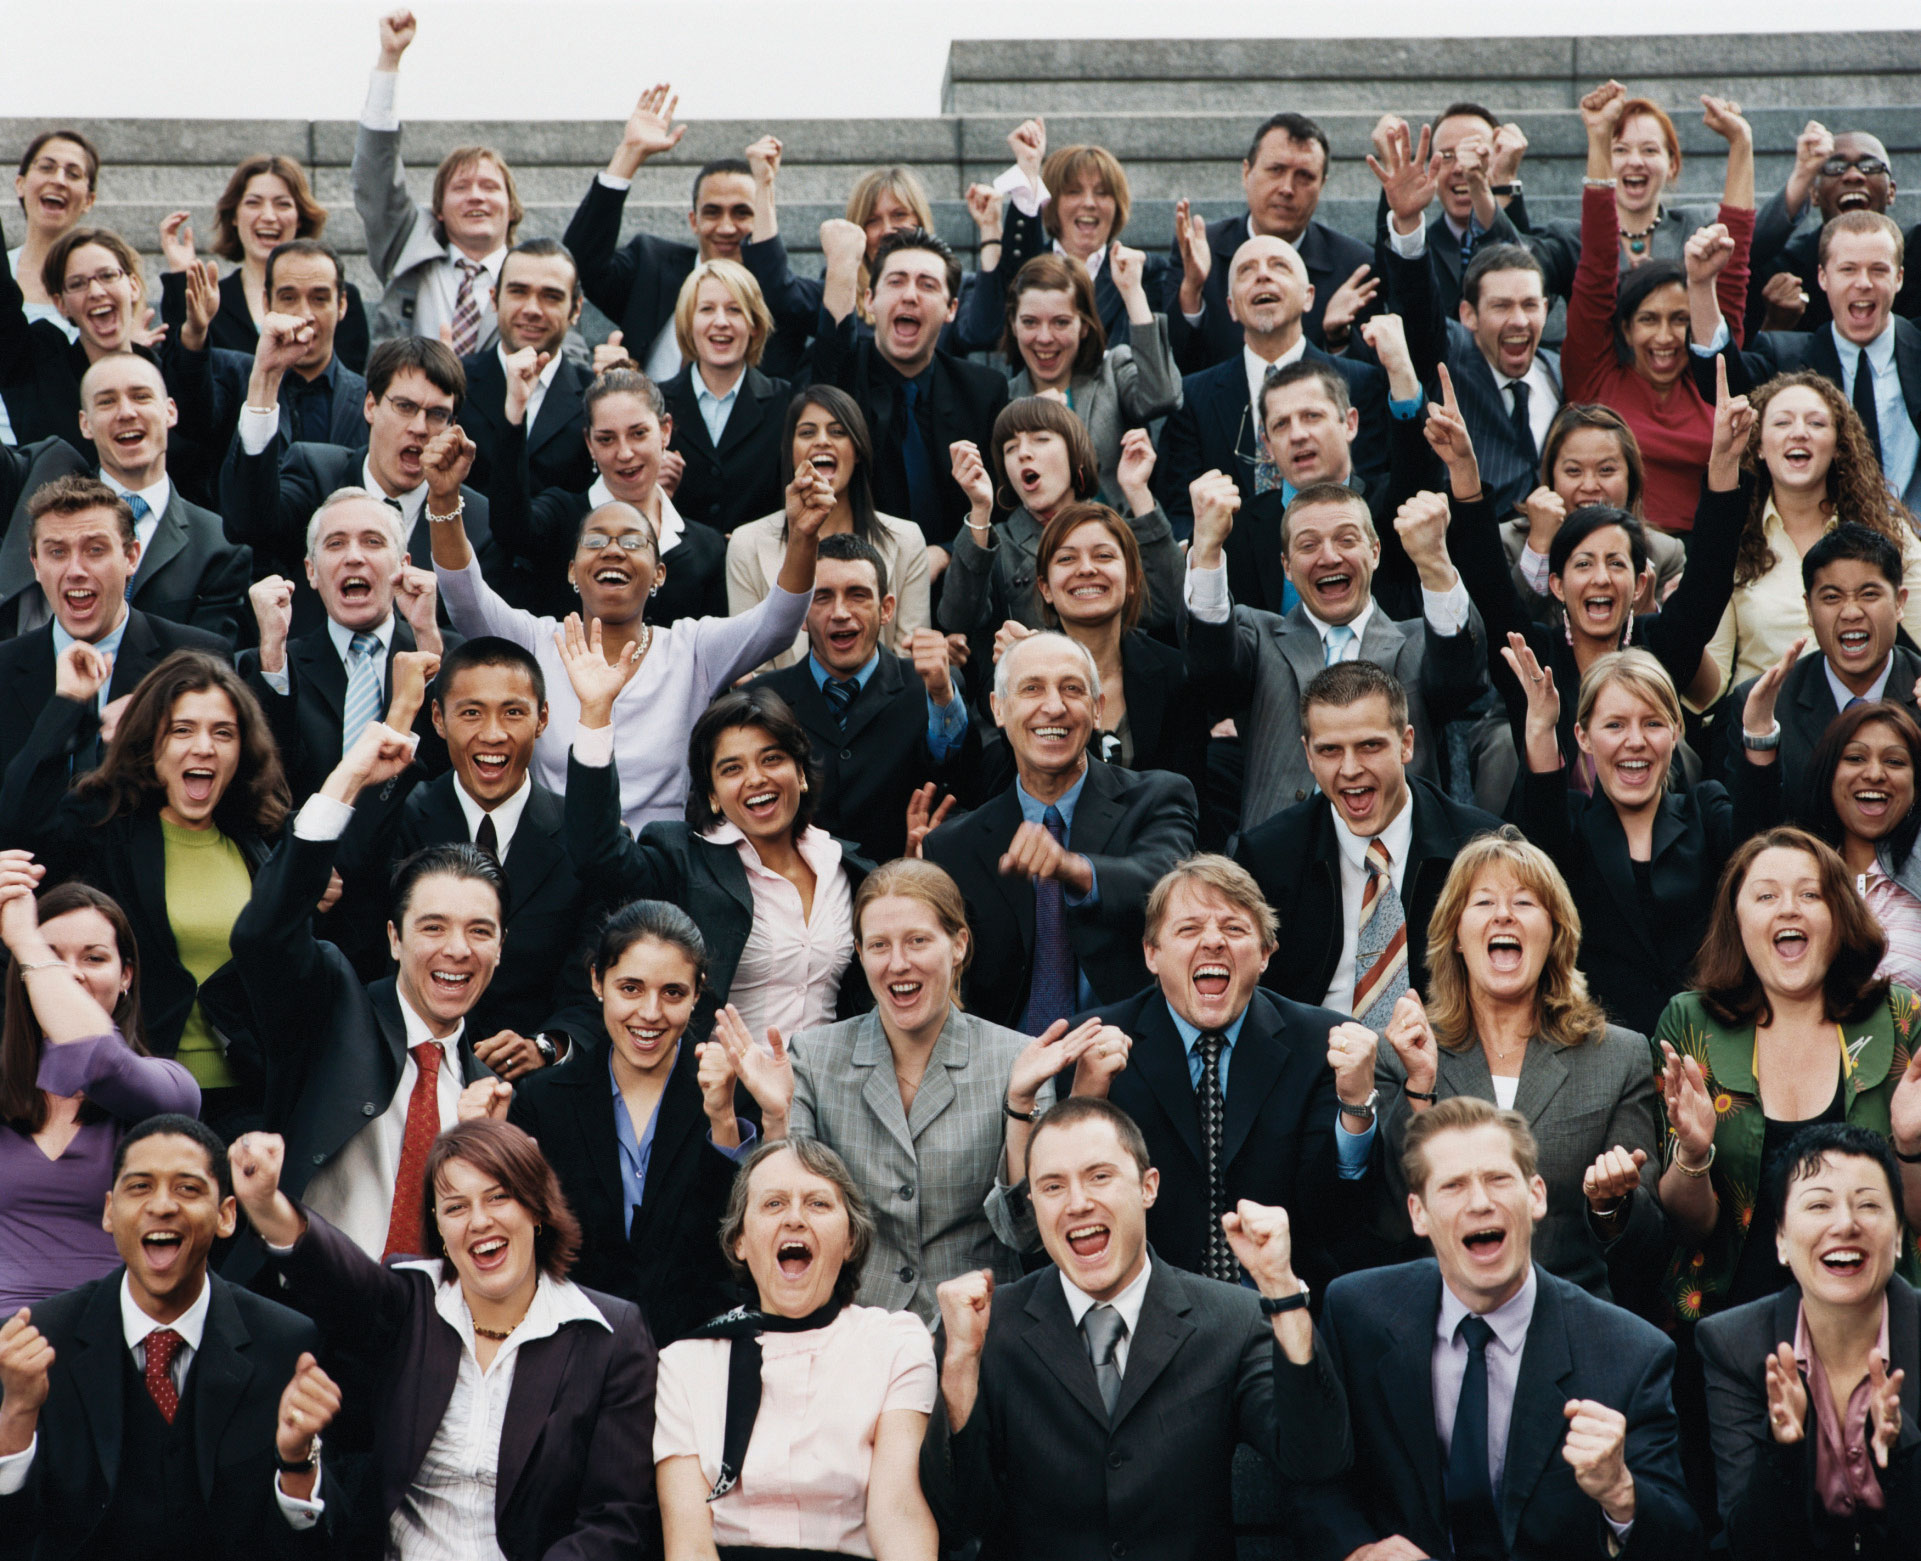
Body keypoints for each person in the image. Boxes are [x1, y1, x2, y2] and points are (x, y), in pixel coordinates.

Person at [920, 1094, 1351, 1561]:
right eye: (1053, 1187)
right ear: (1033, 1203)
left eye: (1099, 1177)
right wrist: (961, 1362)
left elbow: (1317, 1459)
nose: (1078, 1203)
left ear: (1148, 1187)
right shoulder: (983, 1328)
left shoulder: (1234, 1318)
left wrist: (1282, 1290)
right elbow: (959, 1520)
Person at [1289, 1095, 1699, 1560]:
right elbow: (1318, 1481)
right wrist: (1358, 1551)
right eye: (1454, 1186)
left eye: (1498, 1179)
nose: (1480, 1203)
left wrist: (1620, 1493)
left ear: (1536, 1196)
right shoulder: (1357, 1313)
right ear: (1418, 1213)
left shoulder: (1629, 1352)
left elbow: (1681, 1541)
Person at [230, 1117, 659, 1558]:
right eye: (455, 1207)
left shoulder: (611, 1335)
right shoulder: (412, 1298)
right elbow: (338, 1273)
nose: (478, 1221)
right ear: (438, 1227)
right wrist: (266, 1205)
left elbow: (614, 1520)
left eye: (498, 1198)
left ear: (536, 1209)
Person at [705, 856, 1083, 1325]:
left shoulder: (1017, 1060)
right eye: (879, 945)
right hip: (849, 1328)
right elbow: (790, 1222)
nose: (897, 963)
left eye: (918, 941)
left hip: (978, 1328)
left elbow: (1026, 1234)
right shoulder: (814, 1057)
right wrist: (777, 1118)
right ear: (860, 954)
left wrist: (1021, 1105)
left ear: (959, 944)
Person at [430, 399, 820, 828]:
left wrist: (802, 536)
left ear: (659, 574)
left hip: (665, 864)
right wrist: (445, 498)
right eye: (596, 541)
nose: (613, 550)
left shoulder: (692, 649)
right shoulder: (536, 642)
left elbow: (779, 624)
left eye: (633, 542)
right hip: (558, 861)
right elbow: (465, 600)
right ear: (571, 570)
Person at [226, 715, 513, 1268]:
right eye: (432, 927)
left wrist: (490, 1149)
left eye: (479, 931)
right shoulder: (333, 1008)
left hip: (429, 1332)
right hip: (303, 1308)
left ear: (501, 948)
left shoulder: (491, 1096)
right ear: (395, 939)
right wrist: (349, 779)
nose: (457, 949)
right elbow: (264, 933)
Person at [0, 1115, 332, 1561]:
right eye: (139, 1187)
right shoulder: (40, 1340)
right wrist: (16, 1414)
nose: (162, 1205)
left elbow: (316, 1547)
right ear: (108, 1212)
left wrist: (297, 1462)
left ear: (226, 1216)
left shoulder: (284, 1342)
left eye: (187, 1189)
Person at [1639, 827, 1921, 1335]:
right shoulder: (1690, 1025)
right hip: (1726, 1334)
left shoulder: (1901, 1018)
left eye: (1810, 894)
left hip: (1875, 1331)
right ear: (1737, 921)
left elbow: (1916, 1221)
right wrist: (1695, 1154)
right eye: (1766, 895)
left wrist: (1909, 1144)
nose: (1789, 909)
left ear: (1839, 916)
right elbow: (1687, 1228)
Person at [1371, 829, 1664, 1300]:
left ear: (1554, 935)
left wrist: (1611, 1205)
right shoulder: (1404, 1052)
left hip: (1569, 1320)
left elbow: (1647, 1247)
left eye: (1524, 903)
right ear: (1457, 937)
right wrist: (1420, 1087)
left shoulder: (1619, 1056)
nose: (1504, 915)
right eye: (1484, 902)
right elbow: (1391, 1220)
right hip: (1440, 1316)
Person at [1066, 854, 1376, 1291]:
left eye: (1234, 928)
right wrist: (1086, 1098)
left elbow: (1336, 1216)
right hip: (1147, 1309)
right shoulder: (1091, 1044)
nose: (1213, 941)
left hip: (1278, 1306)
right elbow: (1067, 1204)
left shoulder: (1322, 1044)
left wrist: (1357, 1106)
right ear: (1151, 954)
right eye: (1189, 929)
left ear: (1266, 954)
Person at [1434, 355, 1743, 788]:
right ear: (1557, 585)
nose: (1600, 578)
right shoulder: (1533, 660)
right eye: (1584, 564)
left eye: (1616, 563)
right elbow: (1487, 586)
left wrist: (1725, 463)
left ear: (1638, 584)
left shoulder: (1660, 647)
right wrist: (1464, 469)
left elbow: (1709, 581)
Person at [0, 649, 285, 1114]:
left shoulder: (256, 842)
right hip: (128, 1097)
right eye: (182, 729)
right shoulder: (105, 829)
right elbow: (22, 823)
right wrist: (69, 700)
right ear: (151, 744)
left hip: (245, 1103)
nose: (204, 747)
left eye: (223, 733)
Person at [655, 1137, 938, 1559]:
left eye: (818, 1204)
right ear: (740, 1241)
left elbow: (898, 1515)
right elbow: (689, 1544)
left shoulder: (897, 1344)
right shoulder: (684, 1363)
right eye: (773, 1204)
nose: (795, 1219)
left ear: (850, 1241)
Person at [563, 671, 873, 1045]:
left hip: (830, 1090)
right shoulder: (681, 859)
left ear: (801, 772)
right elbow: (597, 855)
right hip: (724, 1092)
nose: (756, 779)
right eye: (732, 769)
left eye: (772, 759)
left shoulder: (844, 865)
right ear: (712, 794)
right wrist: (596, 717)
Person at [330, 637, 599, 1055]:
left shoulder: (581, 832)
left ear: (542, 718)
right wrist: (400, 715)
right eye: (471, 713)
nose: (492, 734)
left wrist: (546, 1047)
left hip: (528, 1093)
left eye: (513, 713)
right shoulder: (400, 814)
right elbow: (349, 870)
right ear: (438, 718)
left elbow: (594, 984)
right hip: (401, 1066)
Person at [507, 900, 754, 1346]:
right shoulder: (542, 1101)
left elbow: (735, 1251)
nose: (651, 1012)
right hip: (573, 1349)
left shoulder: (733, 1094)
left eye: (673, 993)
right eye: (631, 988)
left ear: (698, 993)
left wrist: (722, 1119)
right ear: (597, 981)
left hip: (699, 1353)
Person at [922, 632, 1197, 1030]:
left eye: (1072, 689)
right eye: (1032, 689)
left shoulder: (1157, 797)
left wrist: (1072, 868)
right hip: (1003, 1066)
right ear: (998, 709)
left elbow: (1167, 883)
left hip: (1126, 1056)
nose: (1054, 707)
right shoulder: (952, 847)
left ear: (1098, 709)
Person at [1183, 475, 1484, 832]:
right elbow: (1211, 664)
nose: (1329, 556)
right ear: (1287, 567)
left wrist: (1434, 563)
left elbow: (1462, 677)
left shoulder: (1419, 643)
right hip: (1278, 869)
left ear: (1374, 553)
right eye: (1308, 545)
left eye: (1346, 540)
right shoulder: (1257, 638)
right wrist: (1205, 551)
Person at [1511, 644, 1781, 1040]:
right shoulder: (1569, 826)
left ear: (1675, 732)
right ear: (1583, 738)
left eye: (1652, 724)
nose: (1635, 741)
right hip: (1598, 1053)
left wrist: (1757, 732)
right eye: (1615, 725)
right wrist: (1539, 728)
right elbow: (1538, 838)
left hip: (1711, 1047)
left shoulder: (1704, 810)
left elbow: (1764, 853)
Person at [1697, 1123, 1921, 1558]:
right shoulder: (1733, 1346)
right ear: (1780, 1240)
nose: (1846, 1224)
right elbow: (1746, 1544)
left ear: (1897, 1238)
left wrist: (1900, 1449)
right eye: (1819, 1205)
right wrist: (1782, 1449)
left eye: (1869, 1205)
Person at [1232, 660, 1502, 1015]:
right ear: (1308, 756)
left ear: (1406, 744)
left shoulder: (1479, 849)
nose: (1350, 769)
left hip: (1446, 1055)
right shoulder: (1266, 857)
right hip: (1317, 1058)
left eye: (1369, 746)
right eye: (1329, 750)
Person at [0, 861, 199, 1312]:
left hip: (109, 1346)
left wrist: (29, 941)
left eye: (94, 958)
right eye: (53, 958)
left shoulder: (170, 1090)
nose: (71, 975)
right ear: (24, 975)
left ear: (126, 976)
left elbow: (98, 1060)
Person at [1562, 81, 1755, 532]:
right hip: (1613, 557)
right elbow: (1595, 267)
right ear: (1625, 329)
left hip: (1706, 559)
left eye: (1680, 320)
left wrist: (1741, 144)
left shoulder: (1713, 380)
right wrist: (1597, 139)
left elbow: (1735, 263)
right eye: (1649, 320)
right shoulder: (1596, 375)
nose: (1666, 337)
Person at [220, 333, 500, 636]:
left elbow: (474, 639)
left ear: (452, 427)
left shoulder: (474, 522)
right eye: (405, 406)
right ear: (370, 406)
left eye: (437, 414)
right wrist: (264, 380)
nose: (420, 428)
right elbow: (248, 524)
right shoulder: (316, 473)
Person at [1151, 233, 1404, 562]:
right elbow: (1180, 507)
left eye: (1279, 266)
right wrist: (1203, 558)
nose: (1262, 275)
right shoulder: (1194, 396)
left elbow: (1377, 483)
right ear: (1230, 307)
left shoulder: (1360, 380)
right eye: (1246, 271)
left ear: (1308, 297)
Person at [749, 533, 976, 865]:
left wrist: (942, 695)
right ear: (799, 613)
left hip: (903, 886)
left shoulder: (932, 686)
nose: (840, 612)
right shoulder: (762, 698)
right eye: (823, 597)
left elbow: (963, 781)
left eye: (857, 595)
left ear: (886, 609)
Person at [564, 85, 811, 382]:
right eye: (712, 212)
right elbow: (577, 264)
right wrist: (629, 155)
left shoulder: (783, 298)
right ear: (693, 221)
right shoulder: (650, 266)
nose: (726, 227)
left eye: (742, 213)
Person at [1705, 372, 1921, 708]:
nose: (1799, 432)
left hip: (1867, 728)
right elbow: (1709, 690)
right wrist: (1682, 613)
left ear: (1838, 446)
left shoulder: (1891, 535)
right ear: (1759, 446)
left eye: (1816, 423)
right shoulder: (1732, 543)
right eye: (1782, 423)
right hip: (1762, 726)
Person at [990, 502, 1214, 812]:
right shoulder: (1016, 677)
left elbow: (1191, 800)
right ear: (1045, 588)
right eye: (1067, 558)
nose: (1086, 569)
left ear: (1132, 579)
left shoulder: (1176, 674)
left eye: (1103, 555)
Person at [237, 489, 452, 808]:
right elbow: (265, 786)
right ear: (311, 571)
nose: (353, 557)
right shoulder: (275, 665)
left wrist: (426, 641)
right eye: (336, 543)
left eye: (372, 542)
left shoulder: (452, 655)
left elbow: (445, 769)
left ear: (402, 565)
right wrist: (272, 652)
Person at [14, 354, 250, 643]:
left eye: (140, 396)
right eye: (107, 402)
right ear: (85, 424)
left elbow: (207, 667)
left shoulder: (217, 544)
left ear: (170, 412)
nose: (125, 412)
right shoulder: (41, 495)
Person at [811, 222, 1011, 559]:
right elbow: (831, 357)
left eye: (927, 285)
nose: (910, 295)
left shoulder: (983, 391)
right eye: (896, 281)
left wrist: (947, 554)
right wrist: (842, 266)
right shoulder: (844, 377)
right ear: (870, 300)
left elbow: (1003, 505)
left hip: (954, 578)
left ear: (951, 309)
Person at [0, 476, 231, 765]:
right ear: (35, 564)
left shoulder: (197, 658)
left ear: (131, 557)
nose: (75, 570)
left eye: (95, 550)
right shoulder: (4, 669)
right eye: (57, 552)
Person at [1702, 210, 1920, 516]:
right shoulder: (1785, 357)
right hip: (1824, 547)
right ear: (1822, 277)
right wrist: (1701, 286)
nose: (1863, 283)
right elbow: (1720, 381)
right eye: (1848, 269)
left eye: (1878, 270)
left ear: (1898, 278)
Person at [486, 361, 725, 625]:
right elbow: (510, 528)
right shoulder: (561, 516)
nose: (624, 453)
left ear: (665, 431)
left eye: (638, 433)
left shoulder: (708, 546)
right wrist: (515, 413)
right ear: (589, 443)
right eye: (606, 439)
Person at [943, 394, 1180, 641]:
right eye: (1010, 448)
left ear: (1075, 454)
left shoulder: (1114, 531)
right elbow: (958, 619)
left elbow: (1170, 606)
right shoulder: (997, 542)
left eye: (1041, 439)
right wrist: (980, 509)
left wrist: (1137, 491)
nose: (1023, 453)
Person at [1725, 524, 1921, 822]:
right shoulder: (1764, 707)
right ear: (1808, 608)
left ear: (1899, 603)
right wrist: (1760, 740)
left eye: (1868, 594)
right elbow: (1749, 846)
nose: (1851, 612)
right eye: (1832, 597)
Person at [727, 386, 933, 668]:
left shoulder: (907, 540)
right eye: (807, 432)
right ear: (791, 451)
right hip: (781, 710)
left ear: (858, 449)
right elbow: (750, 670)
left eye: (838, 432)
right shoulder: (746, 543)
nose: (822, 441)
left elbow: (908, 664)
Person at [352, 10, 522, 350]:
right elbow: (374, 176)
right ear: (439, 210)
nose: (476, 196)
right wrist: (389, 60)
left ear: (512, 207)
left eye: (489, 187)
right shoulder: (409, 247)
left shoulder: (532, 273)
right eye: (460, 188)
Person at [1164, 109, 1376, 368]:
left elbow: (1370, 386)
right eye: (1276, 170)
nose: (1287, 188)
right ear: (1246, 173)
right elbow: (1174, 367)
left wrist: (1338, 339)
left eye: (1305, 176)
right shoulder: (1202, 249)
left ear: (1321, 185)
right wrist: (1191, 291)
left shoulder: (1354, 264)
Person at [1388, 236, 1562, 523]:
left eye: (1530, 305)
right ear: (1468, 315)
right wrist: (1408, 231)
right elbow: (1420, 316)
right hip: (1473, 544)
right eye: (1501, 306)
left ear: (1545, 308)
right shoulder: (1451, 355)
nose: (1519, 320)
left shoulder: (1560, 370)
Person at [1530, 83, 1758, 295]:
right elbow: (1510, 258)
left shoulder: (1698, 226)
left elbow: (1740, 240)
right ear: (1602, 162)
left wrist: (1741, 140)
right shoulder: (1570, 240)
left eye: (1649, 150)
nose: (1636, 161)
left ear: (1672, 164)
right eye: (1620, 150)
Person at [157, 158, 371, 374]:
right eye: (253, 202)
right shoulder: (212, 302)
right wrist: (183, 278)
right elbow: (182, 375)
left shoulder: (337, 299)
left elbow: (343, 384)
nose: (268, 216)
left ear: (299, 218)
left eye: (283, 204)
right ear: (234, 216)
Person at [1000, 250, 1181, 506]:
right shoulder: (1004, 399)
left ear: (1084, 326)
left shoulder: (1112, 371)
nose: (1044, 337)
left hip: (1119, 536)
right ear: (1014, 325)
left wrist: (1133, 293)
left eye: (1060, 322)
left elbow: (1162, 396)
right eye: (1030, 322)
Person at [1498, 404, 1686, 634]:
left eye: (1606, 470)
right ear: (1551, 478)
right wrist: (1538, 547)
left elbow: (1674, 657)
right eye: (1573, 471)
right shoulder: (1507, 542)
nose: (1589, 486)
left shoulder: (1665, 553)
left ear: (1631, 477)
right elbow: (1504, 634)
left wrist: (1646, 615)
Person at [0, 225, 163, 456]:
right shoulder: (38, 368)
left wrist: (194, 337)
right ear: (60, 303)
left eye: (107, 275)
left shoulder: (164, 374)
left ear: (133, 285)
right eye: (77, 284)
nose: (96, 291)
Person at [1746, 126, 1921, 337]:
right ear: (1814, 194)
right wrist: (1775, 324)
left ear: (1891, 191)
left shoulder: (1915, 252)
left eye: (1870, 166)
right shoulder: (1781, 266)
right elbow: (1739, 257)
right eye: (1835, 166)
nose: (1853, 175)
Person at [456, 237, 595, 500]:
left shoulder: (595, 396)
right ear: (494, 299)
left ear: (575, 309)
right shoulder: (456, 383)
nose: (532, 309)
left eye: (551, 296)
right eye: (518, 291)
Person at [659, 258, 789, 538]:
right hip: (677, 571)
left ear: (754, 324)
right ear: (688, 322)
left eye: (735, 310)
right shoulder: (653, 403)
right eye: (706, 309)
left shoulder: (786, 404)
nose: (721, 322)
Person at [1367, 103, 1534, 319]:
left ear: (1498, 157)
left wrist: (1505, 183)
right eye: (1446, 156)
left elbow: (1523, 270)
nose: (1459, 167)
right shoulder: (1417, 247)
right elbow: (1394, 288)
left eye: (1473, 151)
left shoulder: (1538, 241)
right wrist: (1394, 168)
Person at [994, 138, 1165, 348]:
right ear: (1052, 202)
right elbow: (983, 330)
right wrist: (1028, 169)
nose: (1089, 203)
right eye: (1074, 191)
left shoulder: (1143, 273)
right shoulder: (1025, 268)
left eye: (1102, 193)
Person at [1804, 702, 1921, 991]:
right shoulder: (1799, 876)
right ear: (1829, 774)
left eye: (1895, 762)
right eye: (1855, 758)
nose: (1874, 774)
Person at [8, 130, 98, 334]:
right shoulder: (4, 271)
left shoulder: (106, 285)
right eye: (46, 167)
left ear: (89, 200)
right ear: (20, 184)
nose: (59, 180)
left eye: (73, 174)